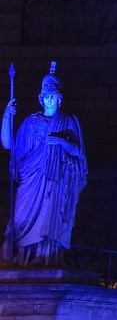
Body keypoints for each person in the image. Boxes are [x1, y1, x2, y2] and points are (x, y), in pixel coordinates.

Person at [2, 62, 88, 266]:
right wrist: (6, 116)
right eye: (46, 95)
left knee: (49, 220)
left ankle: (44, 257)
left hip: (54, 180)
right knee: (19, 220)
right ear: (41, 98)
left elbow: (78, 153)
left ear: (59, 99)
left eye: (53, 96)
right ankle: (24, 258)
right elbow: (8, 145)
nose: (49, 99)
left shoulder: (67, 120)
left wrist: (61, 141)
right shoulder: (30, 122)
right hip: (30, 177)